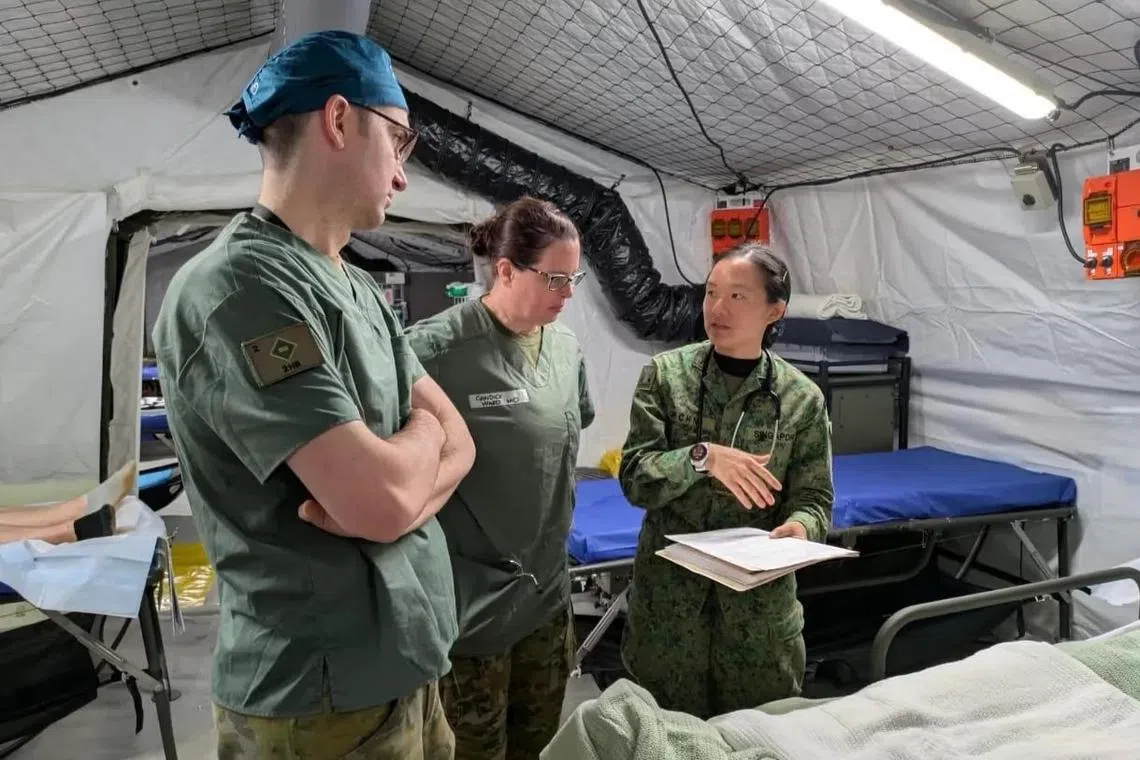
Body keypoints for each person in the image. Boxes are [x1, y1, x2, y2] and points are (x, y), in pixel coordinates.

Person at [151, 30, 476, 760]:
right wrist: (416, 457)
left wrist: (399, 490)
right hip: (319, 695)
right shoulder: (241, 288)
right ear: (338, 119)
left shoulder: (355, 286)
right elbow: (388, 495)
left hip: (408, 662)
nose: (402, 175)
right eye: (398, 139)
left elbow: (459, 443)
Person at [403, 196, 595, 760]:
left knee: (539, 745)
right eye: (555, 278)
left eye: (574, 277)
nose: (568, 293)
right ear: (506, 270)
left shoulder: (565, 349)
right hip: (471, 608)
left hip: (546, 599)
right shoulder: (434, 350)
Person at [617, 243, 835, 719]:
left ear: (774, 311)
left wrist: (801, 528)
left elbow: (814, 498)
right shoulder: (666, 377)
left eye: (737, 296)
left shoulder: (802, 399)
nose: (717, 308)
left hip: (757, 622)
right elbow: (635, 478)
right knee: (663, 740)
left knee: (756, 738)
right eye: (711, 292)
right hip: (670, 617)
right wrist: (701, 457)